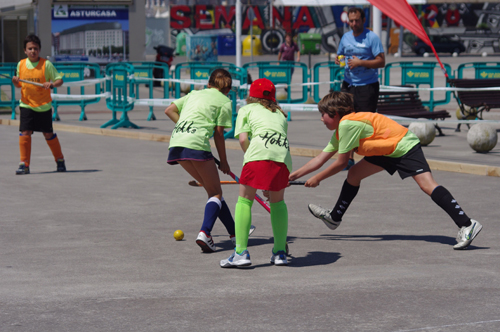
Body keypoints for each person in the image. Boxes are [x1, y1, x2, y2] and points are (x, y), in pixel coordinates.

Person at [289, 92, 482, 250]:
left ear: (335, 113)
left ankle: (466, 224)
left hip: (404, 146)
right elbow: (319, 159)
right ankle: (334, 218)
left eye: (323, 114)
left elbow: (340, 162)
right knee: (354, 174)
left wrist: (317, 179)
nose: (321, 118)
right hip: (386, 149)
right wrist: (290, 177)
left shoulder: (348, 124)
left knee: (427, 185)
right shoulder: (341, 129)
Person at [165, 68, 254, 253]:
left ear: (208, 84)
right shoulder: (225, 102)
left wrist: (187, 128)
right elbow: (219, 134)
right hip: (196, 145)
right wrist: (224, 161)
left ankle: (234, 232)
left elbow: (170, 110)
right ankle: (205, 233)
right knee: (215, 194)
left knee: (213, 190)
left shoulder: (194, 94)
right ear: (228, 90)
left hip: (177, 144)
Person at [220, 78, 292, 268]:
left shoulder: (246, 110)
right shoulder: (281, 114)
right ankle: (279, 253)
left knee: (244, 200)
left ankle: (240, 252)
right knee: (278, 203)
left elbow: (244, 140)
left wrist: (252, 157)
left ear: (250, 96)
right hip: (283, 159)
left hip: (258, 155)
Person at [336, 7, 385, 169]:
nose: (354, 23)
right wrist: (338, 60)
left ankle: (370, 157)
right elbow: (340, 54)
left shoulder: (372, 38)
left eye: (357, 20)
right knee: (346, 121)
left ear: (364, 20)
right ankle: (348, 158)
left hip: (367, 86)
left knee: (364, 123)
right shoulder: (345, 37)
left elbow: (381, 61)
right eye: (351, 21)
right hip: (348, 84)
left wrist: (361, 62)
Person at [12, 34, 65, 175]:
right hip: (26, 105)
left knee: (48, 134)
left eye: (35, 48)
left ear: (39, 50)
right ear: (25, 50)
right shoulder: (21, 64)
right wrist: (15, 81)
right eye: (30, 49)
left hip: (43, 106)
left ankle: (60, 160)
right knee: (25, 132)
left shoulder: (46, 64)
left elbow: (60, 80)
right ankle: (24, 164)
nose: (33, 51)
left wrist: (51, 84)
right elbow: (18, 85)